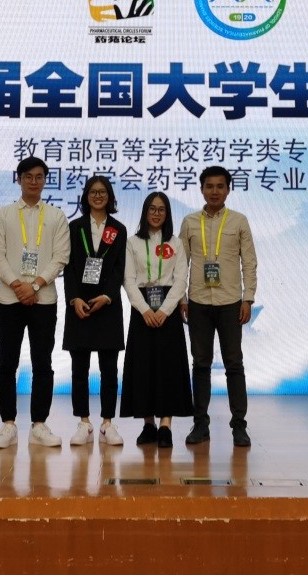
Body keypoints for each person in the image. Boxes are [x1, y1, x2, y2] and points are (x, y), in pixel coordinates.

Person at [0, 156, 70, 448]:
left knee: (42, 363)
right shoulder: (4, 215)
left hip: (43, 299)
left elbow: (61, 257)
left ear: (45, 180)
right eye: (28, 176)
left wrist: (34, 286)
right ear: (19, 179)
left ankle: (39, 424)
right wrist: (17, 285)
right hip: (9, 299)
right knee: (6, 363)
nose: (34, 182)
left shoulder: (56, 216)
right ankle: (8, 424)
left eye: (39, 177)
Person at [179, 165, 257, 447]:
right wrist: (182, 298)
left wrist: (248, 298)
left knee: (234, 364)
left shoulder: (239, 221)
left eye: (220, 186)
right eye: (209, 186)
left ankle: (239, 425)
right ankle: (200, 424)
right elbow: (180, 264)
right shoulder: (189, 222)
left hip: (230, 302)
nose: (214, 191)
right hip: (198, 302)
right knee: (200, 364)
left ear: (228, 190)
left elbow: (249, 262)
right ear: (202, 189)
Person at [120, 192, 192, 448]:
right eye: (152, 208)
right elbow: (128, 280)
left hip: (168, 311)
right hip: (142, 310)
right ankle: (148, 424)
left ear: (167, 213)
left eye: (162, 209)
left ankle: (165, 426)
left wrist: (165, 311)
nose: (156, 213)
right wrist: (145, 310)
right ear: (145, 211)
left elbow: (181, 280)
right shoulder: (132, 242)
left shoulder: (176, 243)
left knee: (168, 368)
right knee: (143, 367)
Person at [62, 175, 128, 446]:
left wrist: (108, 296)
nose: (98, 196)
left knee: (109, 370)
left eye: (103, 192)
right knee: (79, 369)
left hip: (108, 306)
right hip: (79, 305)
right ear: (86, 196)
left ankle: (107, 423)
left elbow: (119, 268)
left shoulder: (118, 229)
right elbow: (69, 267)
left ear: (109, 196)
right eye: (93, 191)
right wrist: (74, 298)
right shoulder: (74, 227)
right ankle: (84, 423)